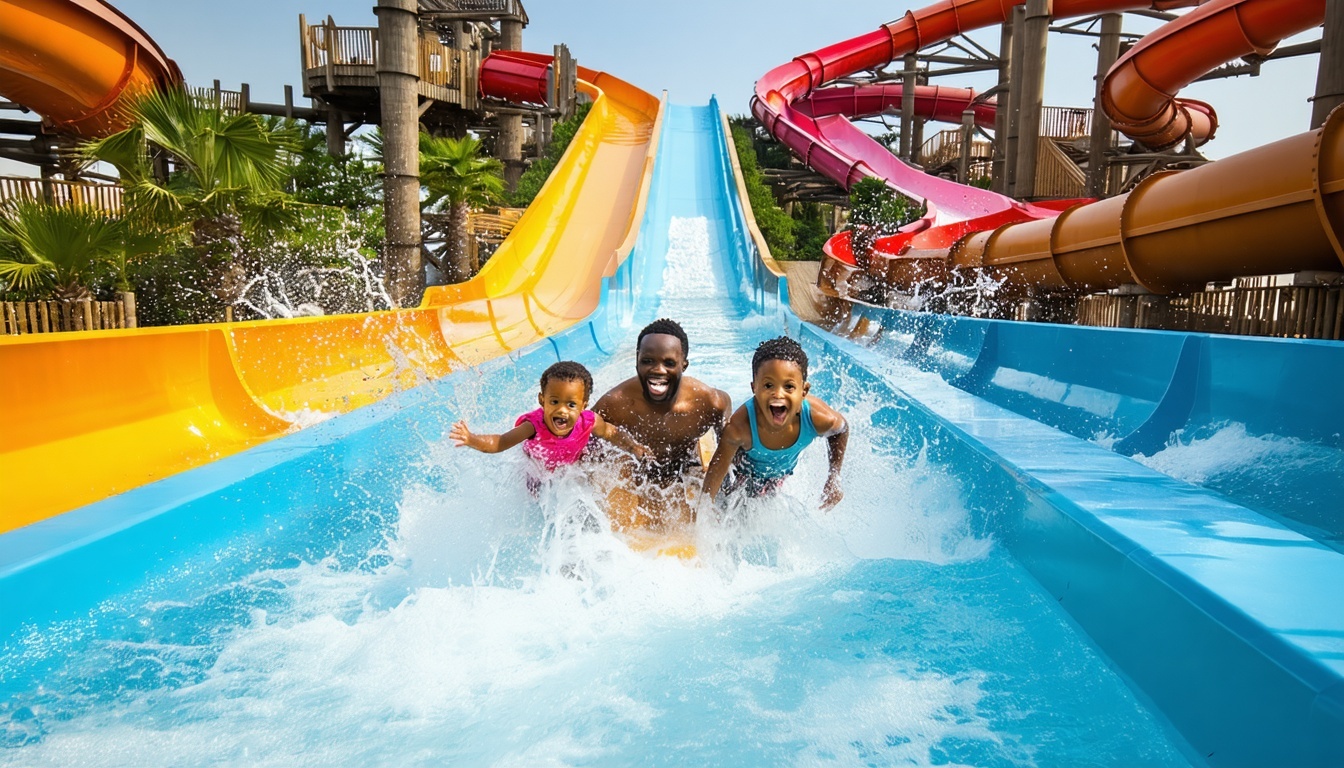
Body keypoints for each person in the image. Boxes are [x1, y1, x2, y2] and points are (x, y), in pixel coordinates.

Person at [593, 318, 732, 528]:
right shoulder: (617, 403)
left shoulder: (709, 403)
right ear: (637, 361)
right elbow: (583, 439)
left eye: (669, 363)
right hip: (636, 469)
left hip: (685, 468)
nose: (658, 370)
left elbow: (730, 450)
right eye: (648, 361)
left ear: (684, 365)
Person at [702, 336, 848, 509]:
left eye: (789, 387)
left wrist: (834, 477)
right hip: (740, 471)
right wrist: (704, 515)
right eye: (768, 385)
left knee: (767, 505)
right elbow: (712, 483)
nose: (778, 394)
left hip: (778, 475)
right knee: (727, 506)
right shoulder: (740, 428)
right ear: (754, 388)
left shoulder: (818, 419)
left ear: (804, 390)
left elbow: (841, 430)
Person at [450, 361, 647, 471]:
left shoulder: (589, 421)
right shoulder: (533, 427)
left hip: (572, 463)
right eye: (554, 402)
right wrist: (471, 439)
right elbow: (500, 442)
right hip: (540, 472)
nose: (562, 410)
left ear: (583, 406)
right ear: (542, 400)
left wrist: (633, 446)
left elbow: (611, 433)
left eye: (571, 405)